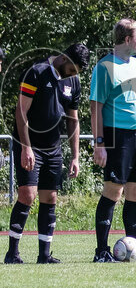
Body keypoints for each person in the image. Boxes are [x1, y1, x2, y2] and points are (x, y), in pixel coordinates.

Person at [4, 44, 90, 264]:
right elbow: (20, 111)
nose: (72, 75)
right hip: (30, 144)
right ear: (63, 58)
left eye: (76, 73)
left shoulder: (74, 81)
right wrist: (26, 147)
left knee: (50, 197)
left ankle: (44, 255)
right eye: (71, 70)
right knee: (27, 194)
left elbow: (73, 120)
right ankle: (12, 253)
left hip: (54, 148)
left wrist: (75, 156)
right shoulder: (36, 72)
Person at [90, 19, 136, 262]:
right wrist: (99, 143)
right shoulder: (104, 67)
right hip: (117, 135)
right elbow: (96, 107)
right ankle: (101, 251)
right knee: (114, 190)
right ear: (127, 39)